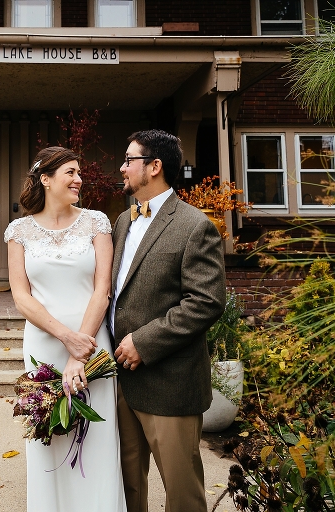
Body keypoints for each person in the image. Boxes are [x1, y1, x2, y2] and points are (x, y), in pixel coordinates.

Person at [109, 130, 226, 512]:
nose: (122, 168)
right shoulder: (122, 221)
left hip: (170, 383)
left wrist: (143, 343)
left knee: (182, 494)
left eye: (130, 160)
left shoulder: (195, 226)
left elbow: (205, 303)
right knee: (127, 487)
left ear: (154, 167)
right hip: (121, 379)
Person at [5, 146, 126, 512]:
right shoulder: (19, 231)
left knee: (98, 435)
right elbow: (21, 297)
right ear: (46, 179)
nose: (79, 179)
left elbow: (102, 288)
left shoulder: (96, 222)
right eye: (70, 173)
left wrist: (81, 348)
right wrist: (65, 337)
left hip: (92, 343)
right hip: (44, 344)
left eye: (78, 173)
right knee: (48, 434)